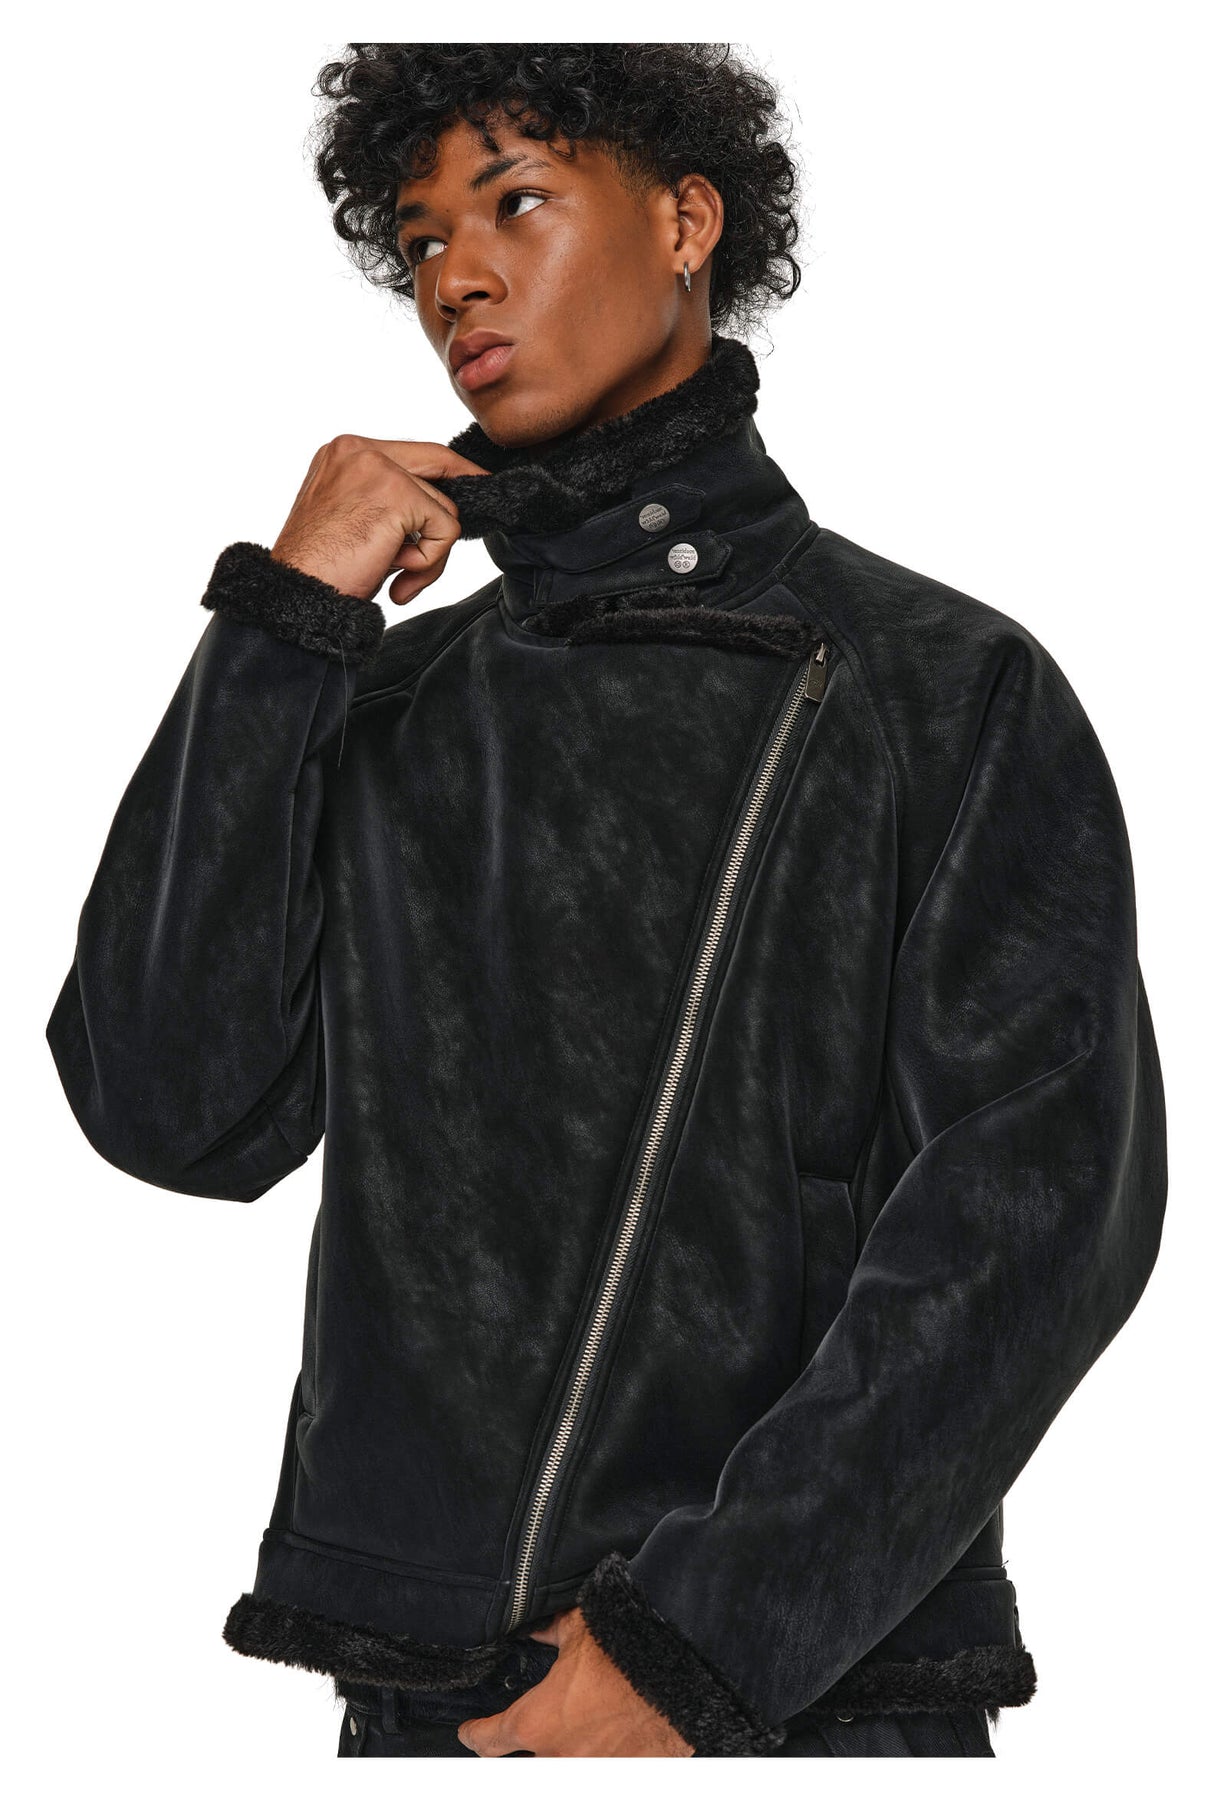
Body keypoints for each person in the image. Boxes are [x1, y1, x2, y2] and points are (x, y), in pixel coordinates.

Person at [44, 43, 1167, 1759]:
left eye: (516, 203)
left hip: (794, 1697)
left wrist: (697, 1643)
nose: (457, 278)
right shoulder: (391, 702)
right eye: (423, 239)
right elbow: (171, 1112)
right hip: (434, 1693)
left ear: (686, 222)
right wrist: (284, 622)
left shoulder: (939, 683)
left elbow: (1036, 1218)